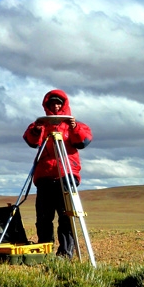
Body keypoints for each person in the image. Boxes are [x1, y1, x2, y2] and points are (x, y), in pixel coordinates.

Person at [22, 90, 93, 258]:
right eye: (52, 103)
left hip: (67, 174)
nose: (56, 106)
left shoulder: (75, 124)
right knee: (44, 218)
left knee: (66, 215)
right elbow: (31, 141)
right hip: (45, 176)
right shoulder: (39, 125)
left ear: (64, 104)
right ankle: (44, 252)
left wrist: (74, 127)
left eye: (59, 103)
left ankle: (65, 253)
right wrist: (38, 128)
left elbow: (83, 141)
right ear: (47, 105)